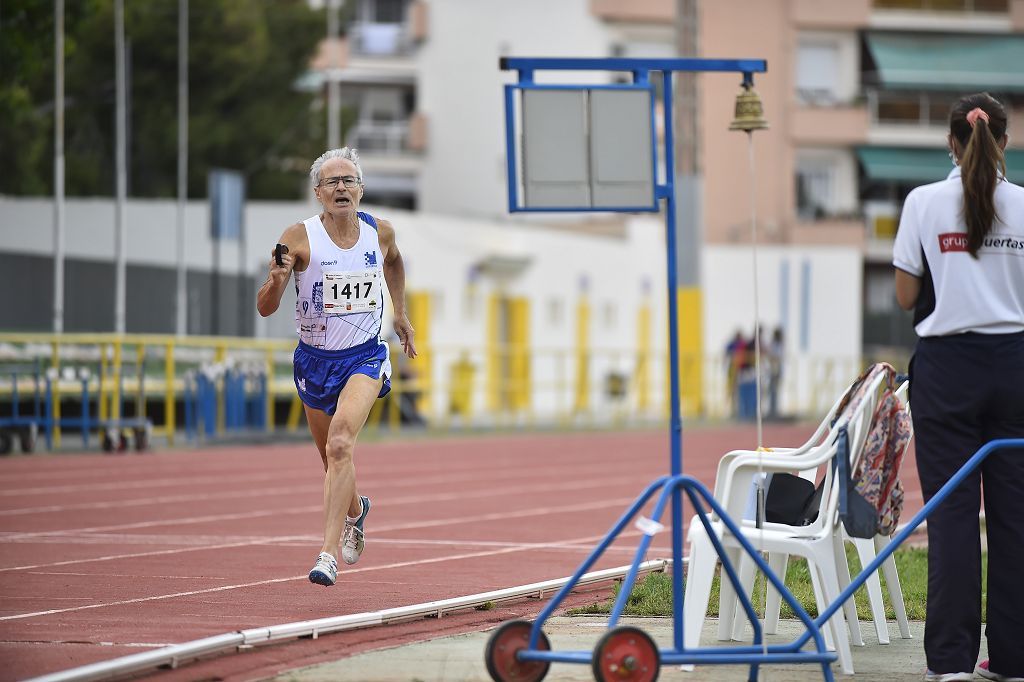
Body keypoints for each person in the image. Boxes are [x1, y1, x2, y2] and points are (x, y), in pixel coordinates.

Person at [892, 93, 1024, 682]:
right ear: (1006, 141)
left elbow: (902, 295)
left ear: (951, 143)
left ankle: (950, 663)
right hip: (1017, 366)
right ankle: (1017, 660)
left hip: (947, 371)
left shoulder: (922, 203)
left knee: (950, 517)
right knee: (1016, 519)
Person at [257, 147, 416, 587]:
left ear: (361, 190)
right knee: (331, 458)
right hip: (314, 359)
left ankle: (326, 553)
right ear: (318, 194)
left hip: (364, 356)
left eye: (349, 180)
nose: (341, 187)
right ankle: (356, 509)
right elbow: (266, 309)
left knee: (342, 443)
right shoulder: (298, 236)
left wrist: (398, 313)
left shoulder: (380, 232)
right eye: (332, 182)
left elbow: (395, 260)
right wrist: (276, 280)